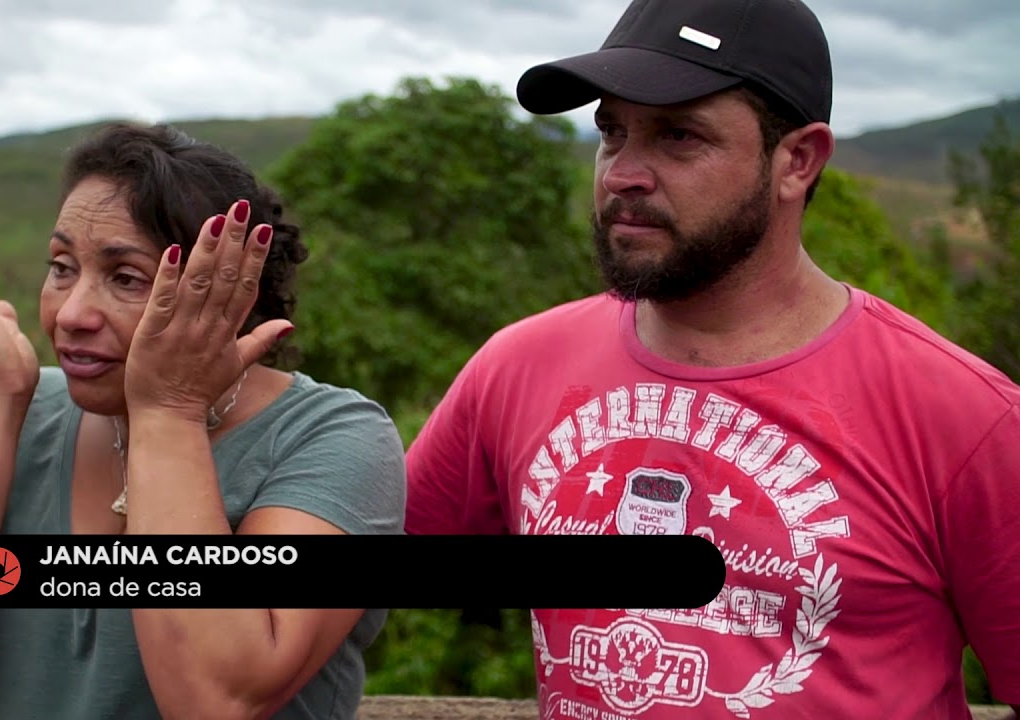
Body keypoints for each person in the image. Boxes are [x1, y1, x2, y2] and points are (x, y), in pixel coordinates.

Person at [403, 0, 1020, 717]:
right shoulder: (518, 367)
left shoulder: (963, 415)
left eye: (679, 136)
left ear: (797, 161)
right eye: (612, 131)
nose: (623, 173)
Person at [0, 121, 407, 720]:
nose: (72, 314)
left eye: (126, 278)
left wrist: (168, 413)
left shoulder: (335, 440)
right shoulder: (30, 412)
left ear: (228, 296)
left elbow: (217, 699)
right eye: (62, 266)